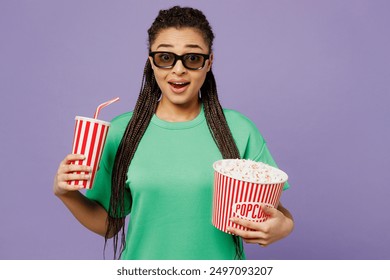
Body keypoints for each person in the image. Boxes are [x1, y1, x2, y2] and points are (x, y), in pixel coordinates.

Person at [53, 6, 294, 260]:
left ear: (209, 62)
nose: (178, 70)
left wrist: (283, 227)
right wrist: (66, 194)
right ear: (151, 61)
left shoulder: (240, 130)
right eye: (166, 57)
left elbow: (276, 213)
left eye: (192, 58)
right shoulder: (121, 133)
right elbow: (110, 224)